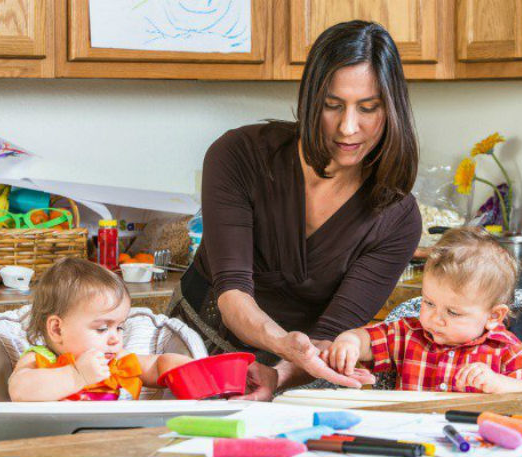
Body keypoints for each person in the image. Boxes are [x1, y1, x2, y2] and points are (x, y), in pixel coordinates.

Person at [168, 20, 422, 400]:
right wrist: (284, 344)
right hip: (191, 347)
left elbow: (332, 333)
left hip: (298, 371)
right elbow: (233, 290)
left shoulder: (398, 218)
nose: (348, 127)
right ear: (309, 101)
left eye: (368, 108)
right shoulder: (239, 155)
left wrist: (280, 374)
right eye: (332, 106)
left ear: (392, 110)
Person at [321, 227, 522, 393]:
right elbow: (365, 339)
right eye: (428, 303)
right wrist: (349, 343)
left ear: (493, 316)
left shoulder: (507, 351)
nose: (435, 318)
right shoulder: (408, 335)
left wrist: (496, 382)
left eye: (453, 312)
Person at [9, 258, 191, 401]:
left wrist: (177, 365)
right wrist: (77, 375)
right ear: (57, 329)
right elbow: (19, 390)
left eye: (119, 327)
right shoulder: (40, 360)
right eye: (102, 329)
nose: (115, 339)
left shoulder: (116, 360)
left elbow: (155, 368)